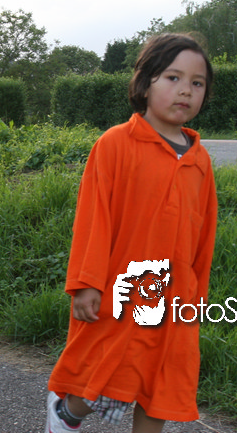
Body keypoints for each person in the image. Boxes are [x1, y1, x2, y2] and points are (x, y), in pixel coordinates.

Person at [46, 33, 218, 432]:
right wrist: (86, 282)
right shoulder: (116, 144)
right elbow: (94, 218)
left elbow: (204, 233)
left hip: (176, 297)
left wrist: (198, 295)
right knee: (106, 372)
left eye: (197, 83)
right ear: (145, 83)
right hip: (122, 290)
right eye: (173, 78)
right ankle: (66, 412)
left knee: (163, 386)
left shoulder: (200, 161)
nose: (186, 90)